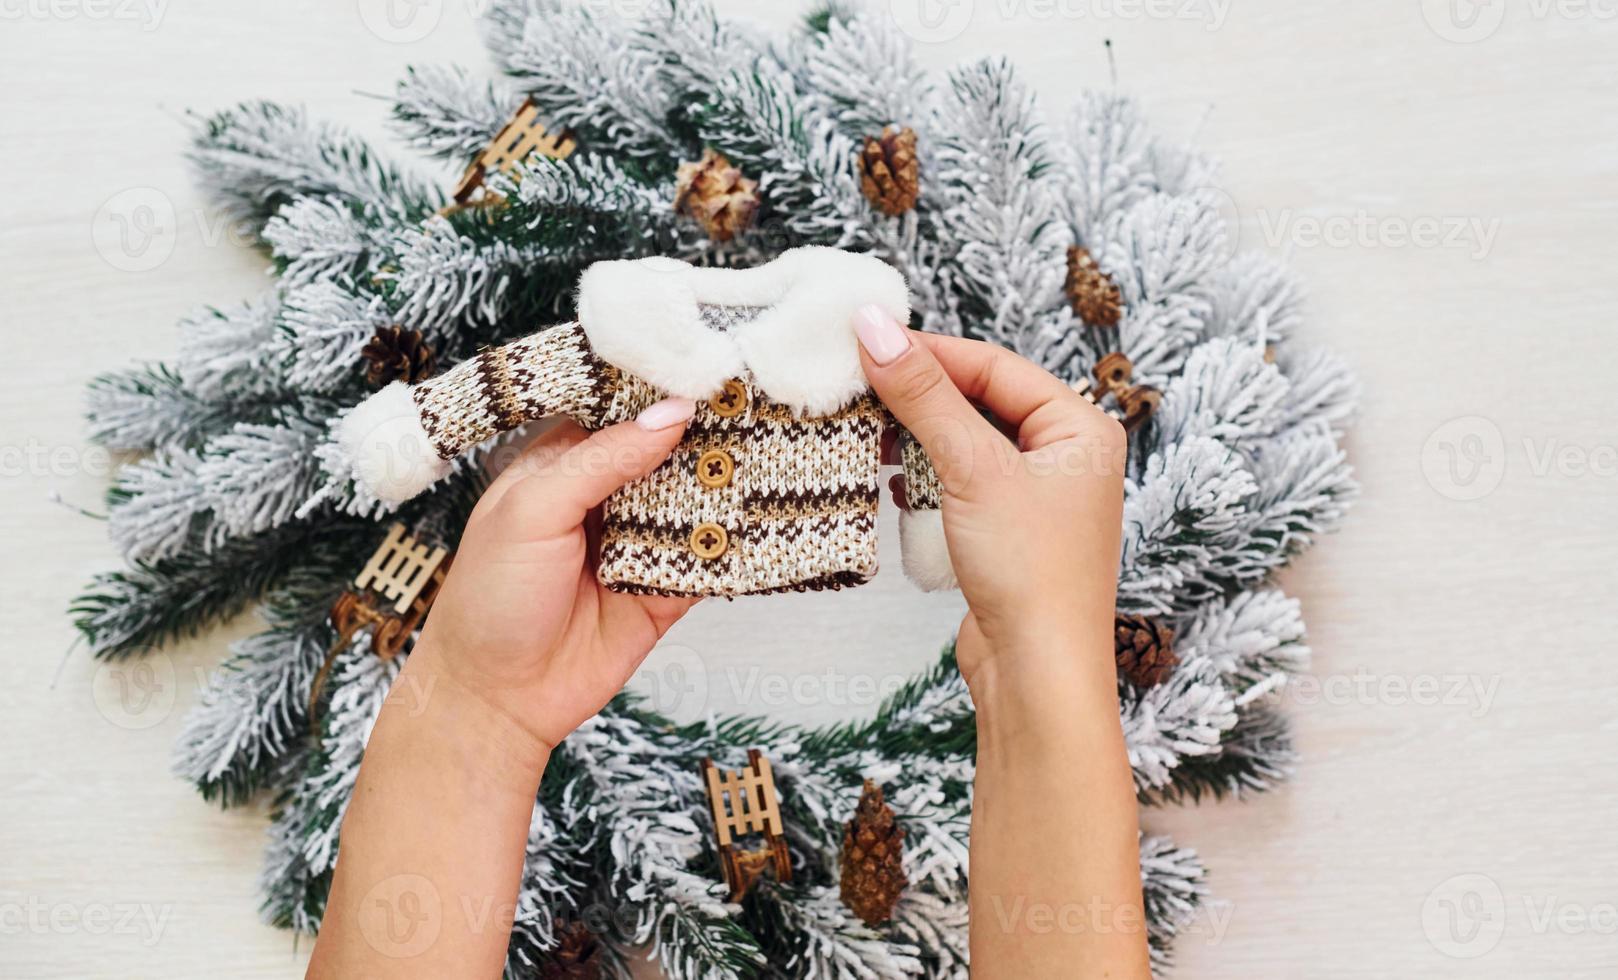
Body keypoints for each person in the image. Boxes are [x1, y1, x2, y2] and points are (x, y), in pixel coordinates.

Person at [307, 306, 1151, 978]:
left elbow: (933, 446)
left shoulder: (837, 347)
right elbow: (507, 383)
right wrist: (1038, 650)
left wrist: (475, 705)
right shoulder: (624, 333)